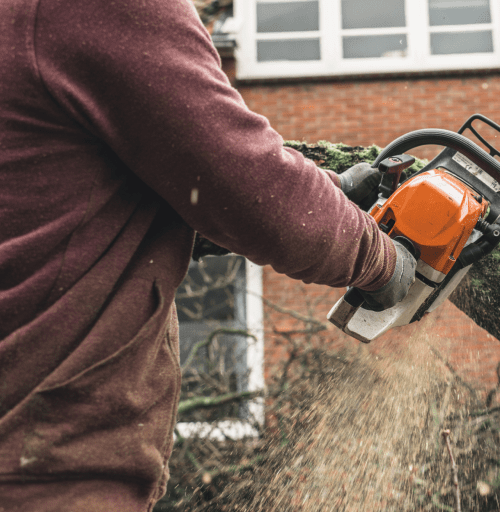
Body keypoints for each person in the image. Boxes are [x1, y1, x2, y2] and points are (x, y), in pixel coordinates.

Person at [0, 0, 416, 509]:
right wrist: (383, 261)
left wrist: (331, 195)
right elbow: (243, 184)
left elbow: (70, 208)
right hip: (42, 472)